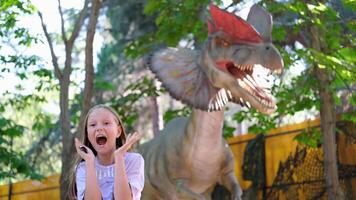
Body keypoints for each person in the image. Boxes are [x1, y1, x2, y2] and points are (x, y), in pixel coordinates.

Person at [68, 104, 144, 200]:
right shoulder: (83, 168)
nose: (99, 128)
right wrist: (90, 163)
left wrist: (119, 157)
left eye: (106, 123)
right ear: (88, 134)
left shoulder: (134, 160)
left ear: (118, 131)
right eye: (92, 125)